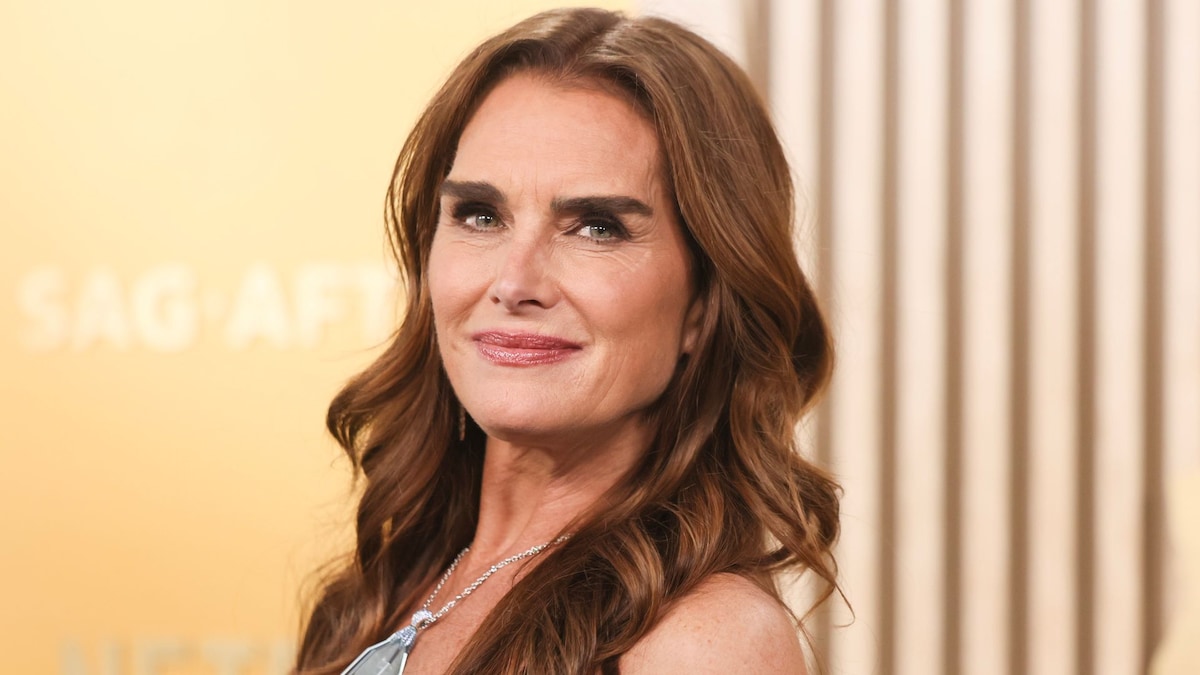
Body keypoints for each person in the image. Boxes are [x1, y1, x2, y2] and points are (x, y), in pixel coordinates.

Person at [295, 7, 840, 674]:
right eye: (480, 215)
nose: (513, 282)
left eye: (596, 227)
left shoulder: (703, 641)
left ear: (705, 301)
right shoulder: (396, 583)